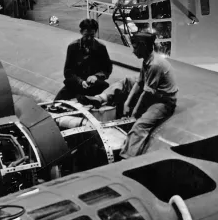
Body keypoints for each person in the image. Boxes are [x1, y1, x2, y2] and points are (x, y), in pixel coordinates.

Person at [121, 30, 177, 158]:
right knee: (125, 82)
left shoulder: (155, 64)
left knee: (139, 126)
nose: (133, 51)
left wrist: (134, 112)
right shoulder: (147, 59)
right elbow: (139, 82)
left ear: (143, 46)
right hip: (153, 94)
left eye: (135, 47)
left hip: (163, 101)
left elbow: (146, 93)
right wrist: (126, 103)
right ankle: (100, 98)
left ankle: (127, 158)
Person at [57, 17, 113, 104]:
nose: (89, 39)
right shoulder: (72, 47)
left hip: (95, 85)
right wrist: (80, 81)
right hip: (76, 85)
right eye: (86, 36)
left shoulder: (101, 48)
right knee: (56, 103)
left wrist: (96, 77)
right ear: (81, 32)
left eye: (92, 36)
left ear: (95, 33)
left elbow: (107, 69)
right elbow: (67, 72)